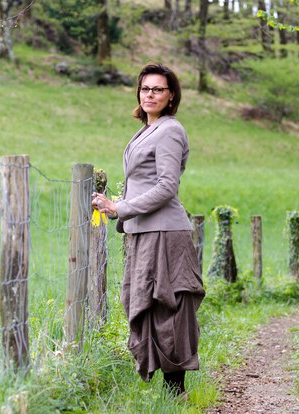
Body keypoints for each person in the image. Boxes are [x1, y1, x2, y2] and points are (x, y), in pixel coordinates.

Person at [91, 63, 205, 397]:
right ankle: (171, 392)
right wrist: (114, 204)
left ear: (171, 97)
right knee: (146, 305)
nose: (150, 94)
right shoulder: (146, 130)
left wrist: (121, 208)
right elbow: (144, 183)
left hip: (165, 234)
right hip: (143, 233)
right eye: (145, 89)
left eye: (158, 89)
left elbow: (167, 186)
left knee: (167, 309)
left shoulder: (170, 129)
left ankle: (176, 393)